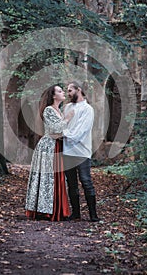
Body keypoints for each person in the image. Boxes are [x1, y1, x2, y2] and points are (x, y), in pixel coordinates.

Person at [25, 84, 74, 221]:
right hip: (48, 147)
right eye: (59, 91)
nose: (63, 92)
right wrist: (68, 119)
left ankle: (57, 209)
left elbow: (62, 130)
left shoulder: (59, 110)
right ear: (53, 96)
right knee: (48, 179)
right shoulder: (48, 110)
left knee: (57, 177)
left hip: (57, 145)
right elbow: (54, 128)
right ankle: (46, 211)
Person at [63, 81, 99, 222]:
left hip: (82, 152)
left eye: (70, 90)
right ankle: (76, 214)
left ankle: (93, 215)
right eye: (67, 90)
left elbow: (82, 130)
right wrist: (64, 133)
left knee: (86, 181)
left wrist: (66, 134)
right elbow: (62, 124)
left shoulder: (87, 109)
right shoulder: (67, 107)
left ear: (79, 90)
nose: (68, 93)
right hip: (67, 152)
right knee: (71, 183)